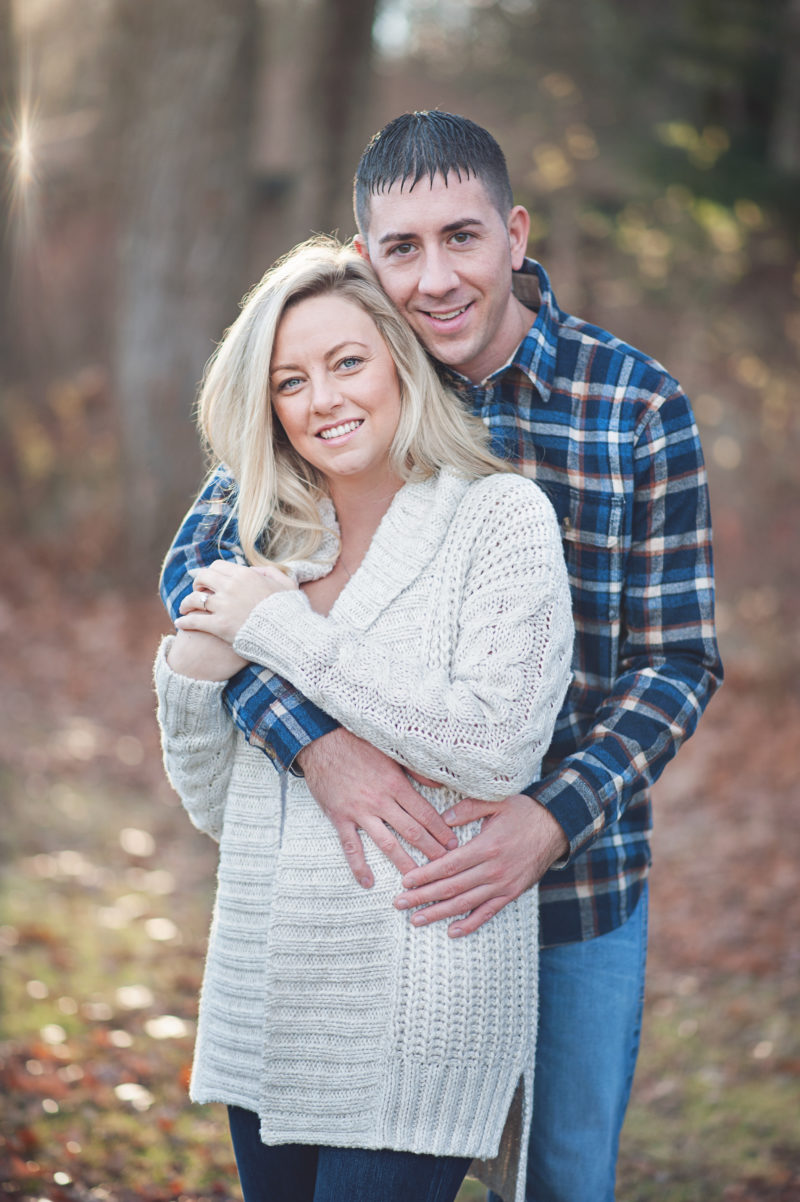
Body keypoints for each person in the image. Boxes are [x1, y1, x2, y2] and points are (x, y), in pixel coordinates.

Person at [160, 112, 723, 1201]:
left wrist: (549, 814)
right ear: (367, 260)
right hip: (374, 888)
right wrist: (318, 747)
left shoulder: (633, 403)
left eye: (460, 237)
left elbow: (676, 660)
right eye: (402, 249)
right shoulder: (343, 371)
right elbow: (209, 581)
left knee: (557, 1178)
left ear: (513, 234)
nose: (436, 276)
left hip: (575, 868)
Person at [155, 237, 574, 1202]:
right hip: (272, 987)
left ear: (399, 358)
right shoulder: (270, 541)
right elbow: (219, 806)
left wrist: (285, 636)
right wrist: (189, 671)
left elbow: (495, 744)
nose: (324, 399)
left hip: (419, 988)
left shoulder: (498, 518)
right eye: (291, 380)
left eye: (347, 362)